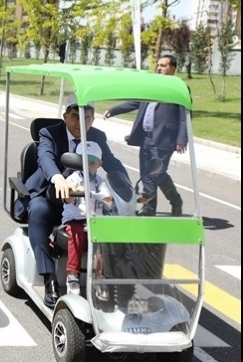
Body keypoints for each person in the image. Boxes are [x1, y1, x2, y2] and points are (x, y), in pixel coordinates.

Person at [23, 94, 127, 308]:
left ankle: (107, 277)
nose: (81, 122)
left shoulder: (97, 136)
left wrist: (127, 184)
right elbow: (45, 157)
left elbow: (112, 162)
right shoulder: (49, 133)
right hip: (52, 196)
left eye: (87, 117)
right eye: (74, 116)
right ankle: (49, 278)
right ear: (65, 117)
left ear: (93, 119)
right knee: (37, 210)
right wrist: (58, 177)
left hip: (86, 204)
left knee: (116, 216)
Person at [104, 54, 186, 217]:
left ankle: (176, 200)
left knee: (158, 173)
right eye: (158, 65)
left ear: (173, 68)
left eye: (163, 65)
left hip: (164, 139)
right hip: (146, 138)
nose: (159, 68)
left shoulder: (179, 87)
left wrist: (182, 139)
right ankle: (149, 208)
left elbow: (185, 116)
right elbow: (135, 102)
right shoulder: (151, 85)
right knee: (146, 175)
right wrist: (114, 110)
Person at [61, 141, 112, 296]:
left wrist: (111, 198)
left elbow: (108, 199)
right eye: (83, 162)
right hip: (75, 220)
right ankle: (72, 275)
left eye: (91, 163)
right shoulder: (73, 179)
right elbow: (67, 198)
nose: (87, 166)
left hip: (95, 222)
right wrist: (74, 191)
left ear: (99, 164)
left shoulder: (101, 182)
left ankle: (100, 277)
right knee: (76, 235)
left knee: (104, 238)